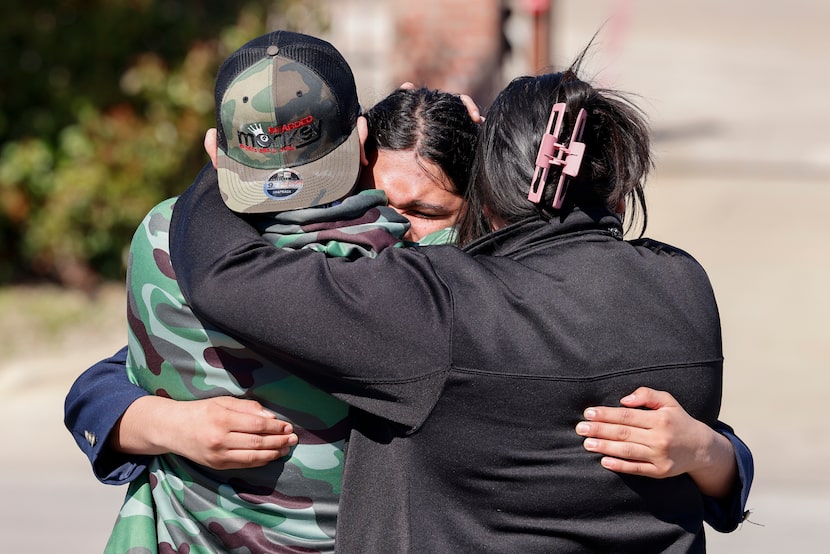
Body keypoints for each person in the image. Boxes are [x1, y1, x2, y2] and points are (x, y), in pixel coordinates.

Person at [164, 56, 753, 552]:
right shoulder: (685, 285)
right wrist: (717, 456)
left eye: (421, 212)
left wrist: (241, 161)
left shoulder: (440, 304)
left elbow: (223, 275)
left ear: (480, 187)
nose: (391, 230)